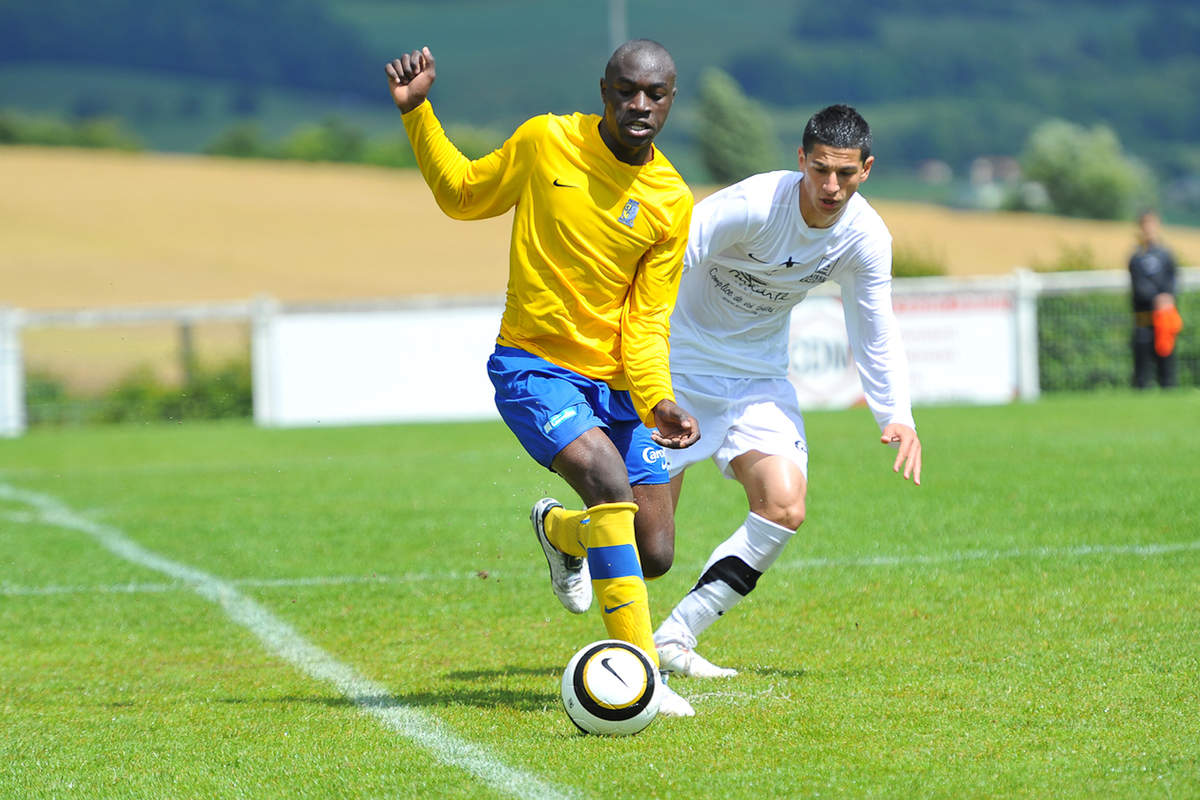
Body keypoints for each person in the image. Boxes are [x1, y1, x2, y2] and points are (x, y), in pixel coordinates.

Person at [385, 40, 701, 715]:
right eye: (626, 90)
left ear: (671, 100)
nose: (638, 104)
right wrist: (419, 114)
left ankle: (562, 533)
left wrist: (658, 401)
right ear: (603, 90)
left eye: (655, 94)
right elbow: (463, 195)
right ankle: (640, 675)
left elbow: (646, 324)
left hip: (619, 387)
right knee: (607, 482)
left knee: (655, 551)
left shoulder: (672, 202)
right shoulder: (545, 141)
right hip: (536, 366)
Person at [646, 104, 922, 678]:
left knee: (785, 505)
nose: (830, 185)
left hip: (759, 380)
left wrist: (895, 412)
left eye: (845, 174)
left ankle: (675, 637)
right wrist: (641, 366)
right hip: (680, 369)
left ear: (866, 169)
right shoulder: (751, 205)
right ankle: (568, 536)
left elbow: (873, 323)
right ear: (800, 159)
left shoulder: (866, 237)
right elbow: (664, 263)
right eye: (820, 169)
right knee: (652, 549)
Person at [1128, 210, 1181, 389]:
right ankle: (1141, 386)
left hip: (1164, 313)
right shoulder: (1136, 257)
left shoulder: (1166, 254)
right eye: (1145, 225)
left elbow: (1172, 278)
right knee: (1142, 348)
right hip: (1144, 312)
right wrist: (1154, 298)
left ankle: (1168, 386)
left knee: (1166, 350)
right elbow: (1138, 283)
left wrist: (1167, 296)